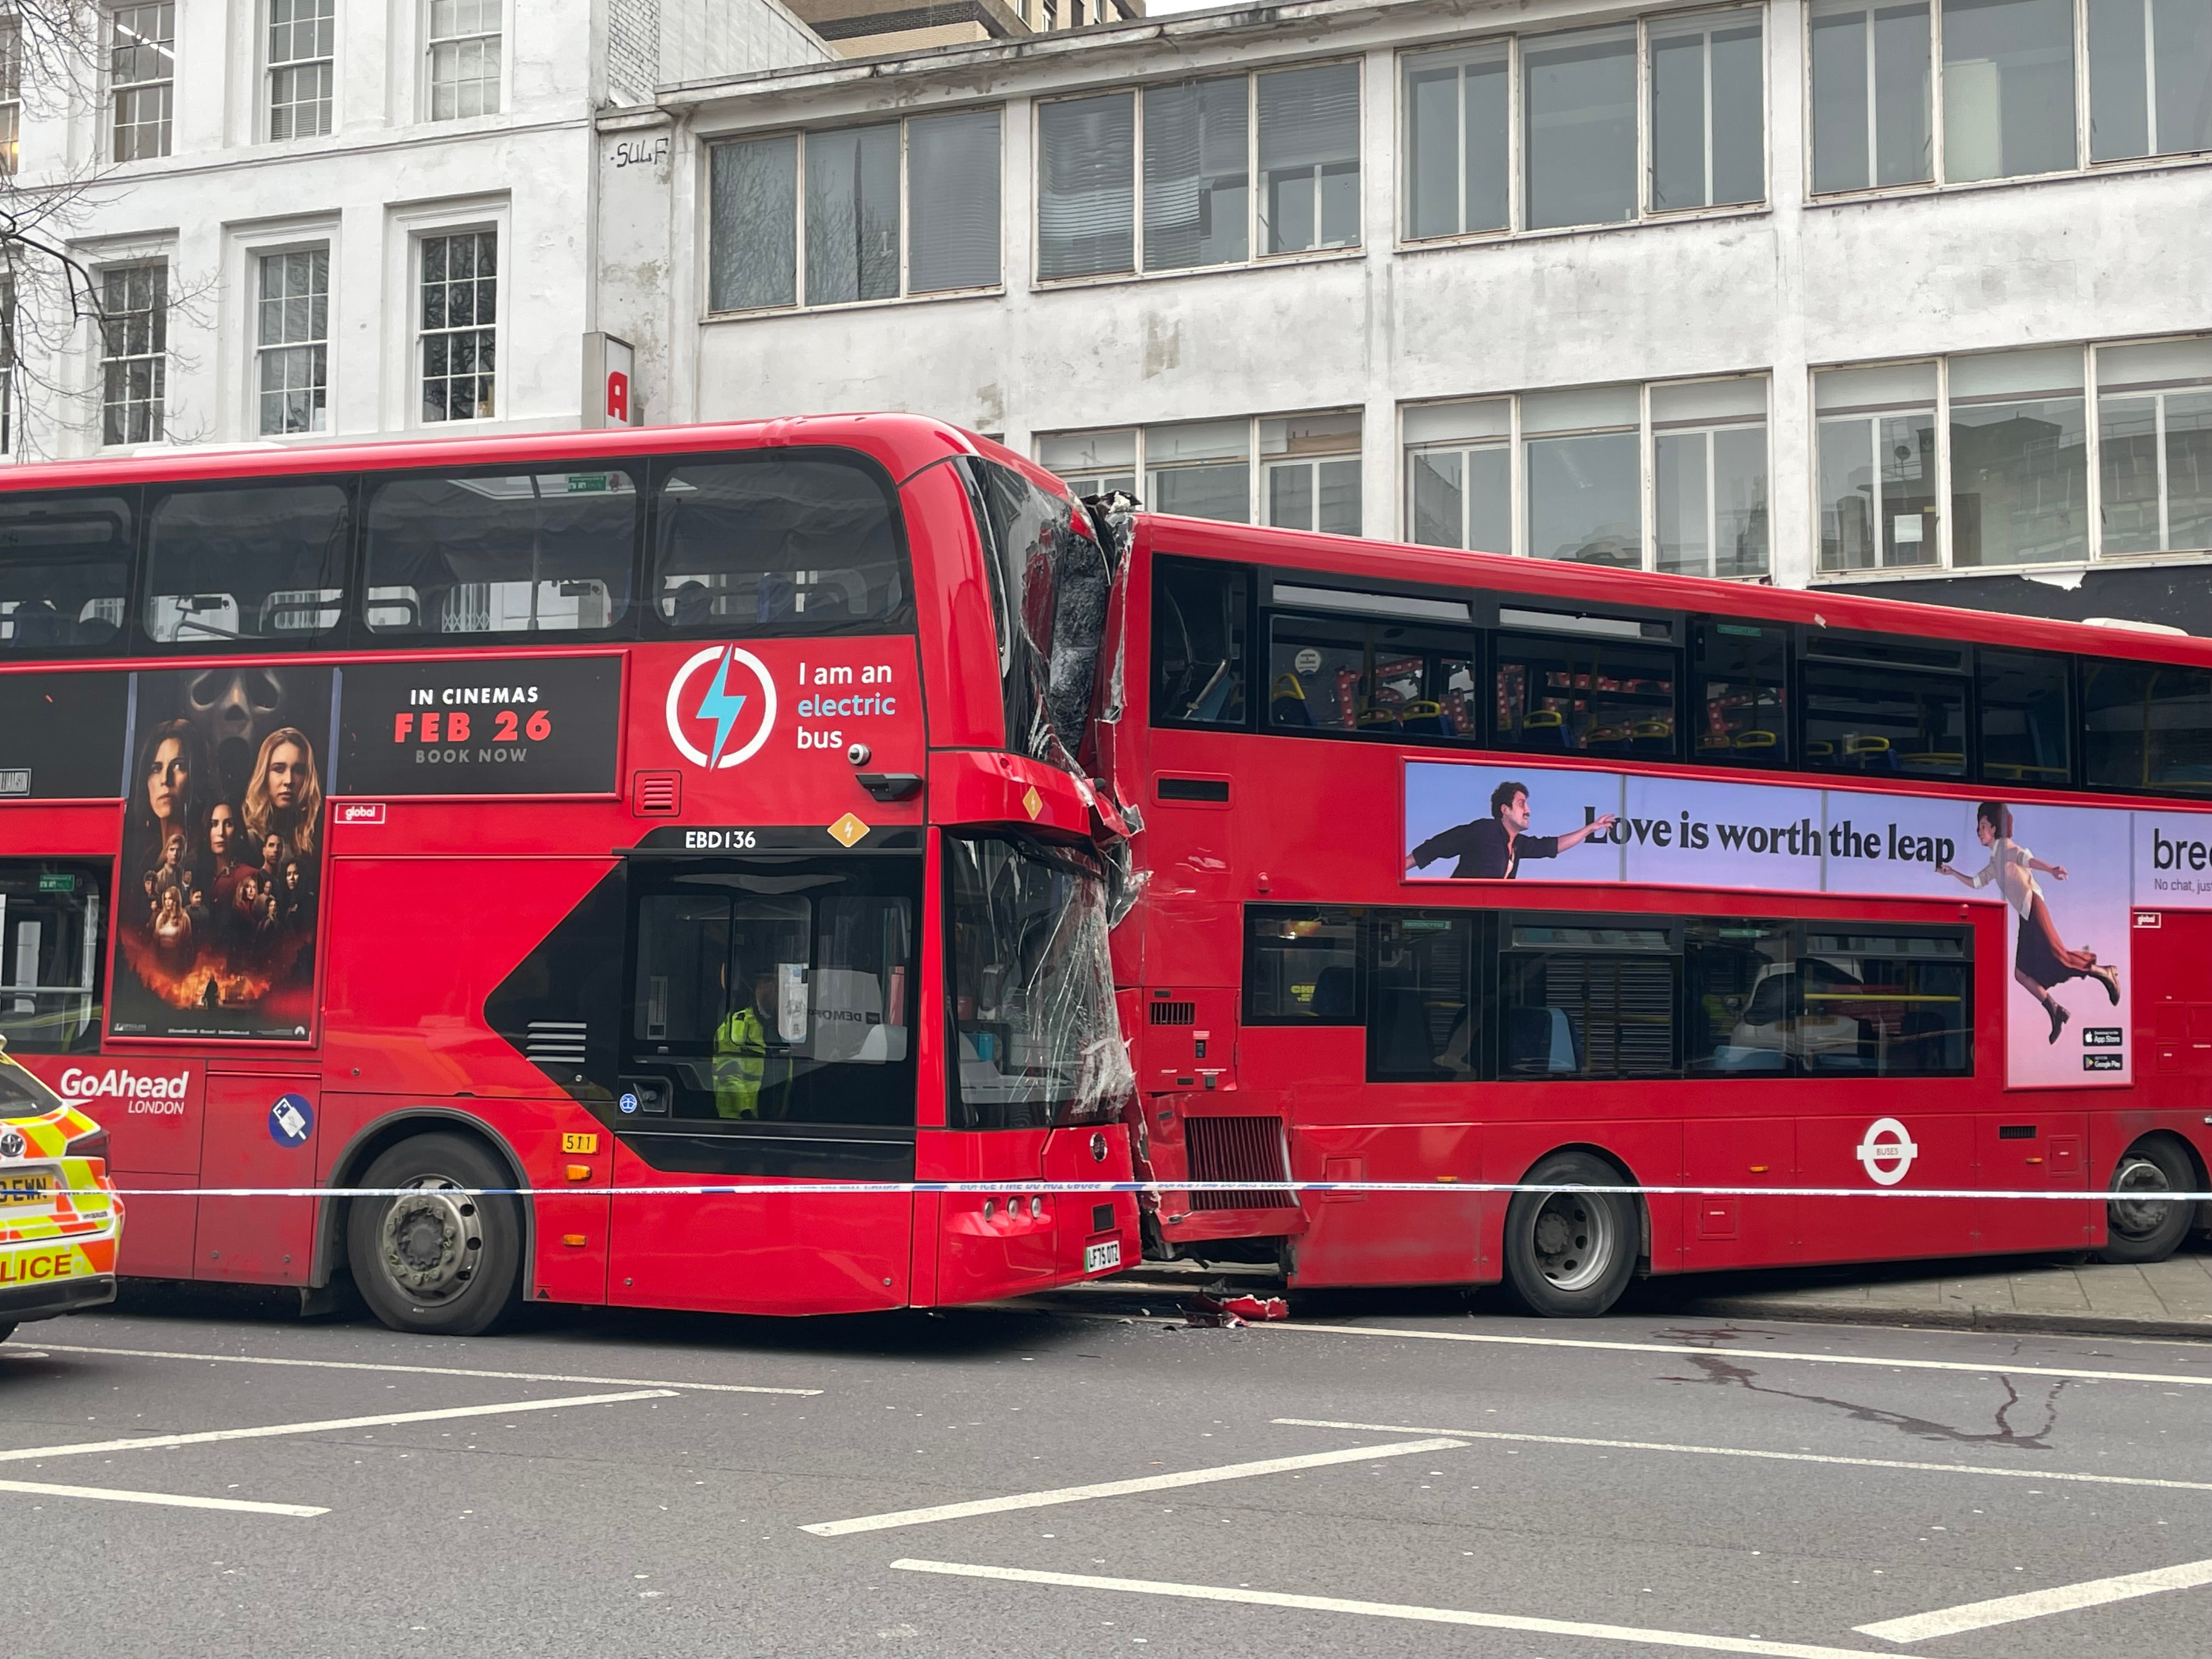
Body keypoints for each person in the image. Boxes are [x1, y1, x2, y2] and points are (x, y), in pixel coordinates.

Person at [1938, 801, 2119, 1043]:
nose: (1979, 831)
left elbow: (2028, 860)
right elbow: (1976, 883)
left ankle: (2103, 972)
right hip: (2026, 915)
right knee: (2021, 974)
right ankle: (2056, 1010)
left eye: (1983, 826)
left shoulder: (2006, 848)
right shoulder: (1995, 860)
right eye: (1978, 826)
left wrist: (2052, 869)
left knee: (2059, 956)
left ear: (1995, 827)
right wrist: (1951, 872)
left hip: (2033, 906)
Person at [1406, 779, 1620, 880]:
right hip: (1463, 917)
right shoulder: (1484, 830)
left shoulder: (1518, 843)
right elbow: (1436, 847)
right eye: (1522, 804)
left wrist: (1590, 829)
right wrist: (1396, 870)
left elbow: (1551, 846)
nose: (1529, 811)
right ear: (1505, 810)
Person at [126, 718, 208, 899]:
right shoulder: (144, 856)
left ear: (197, 776)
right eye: (156, 768)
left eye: (179, 766)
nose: (165, 779)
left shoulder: (204, 855)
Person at [712, 968, 787, 1120]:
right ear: (758, 987)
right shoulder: (735, 1026)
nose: (777, 990)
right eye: (771, 982)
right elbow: (728, 1075)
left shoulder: (785, 1027)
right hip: (738, 1122)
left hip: (776, 1118)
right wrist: (747, 1112)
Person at [244, 727, 323, 864]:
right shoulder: (248, 840)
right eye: (279, 769)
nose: (289, 781)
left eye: (298, 771)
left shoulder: (316, 838)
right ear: (264, 775)